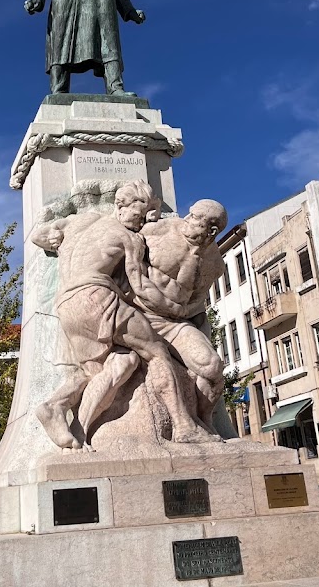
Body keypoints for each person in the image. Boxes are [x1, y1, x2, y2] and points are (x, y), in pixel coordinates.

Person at [31, 181, 208, 449]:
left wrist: (52, 238)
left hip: (67, 306)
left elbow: (38, 235)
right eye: (139, 216)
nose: (140, 223)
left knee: (109, 366)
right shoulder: (130, 239)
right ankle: (185, 426)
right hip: (97, 298)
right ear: (120, 207)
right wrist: (178, 310)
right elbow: (142, 288)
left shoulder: (81, 221)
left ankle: (56, 406)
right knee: (157, 351)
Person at [130, 200, 228, 434]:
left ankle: (206, 422)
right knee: (156, 363)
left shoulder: (214, 264)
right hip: (137, 313)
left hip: (174, 323)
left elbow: (196, 302)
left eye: (195, 217)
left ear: (211, 231)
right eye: (190, 213)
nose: (187, 219)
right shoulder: (161, 229)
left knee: (212, 367)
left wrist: (187, 316)